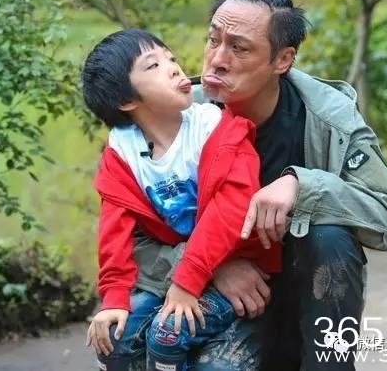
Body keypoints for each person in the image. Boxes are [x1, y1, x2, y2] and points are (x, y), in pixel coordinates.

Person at [130, 0, 387, 370]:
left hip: (310, 299)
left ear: (282, 59)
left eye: (239, 49)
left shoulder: (329, 117)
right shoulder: (175, 117)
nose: (217, 60)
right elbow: (129, 235)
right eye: (213, 40)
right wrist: (208, 265)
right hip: (222, 301)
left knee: (329, 238)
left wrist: (303, 186)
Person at [81, 29, 281, 371]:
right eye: (154, 65)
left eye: (171, 58)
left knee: (168, 335)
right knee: (115, 338)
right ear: (127, 101)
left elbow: (232, 209)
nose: (174, 67)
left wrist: (188, 281)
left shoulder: (218, 129)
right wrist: (114, 297)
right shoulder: (122, 154)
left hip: (238, 264)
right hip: (181, 271)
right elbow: (114, 233)